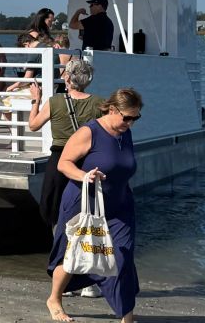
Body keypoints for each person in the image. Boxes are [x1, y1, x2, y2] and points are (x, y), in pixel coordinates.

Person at [44, 88, 142, 323]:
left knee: (122, 257)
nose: (130, 123)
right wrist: (84, 175)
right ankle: (54, 299)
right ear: (112, 109)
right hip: (83, 203)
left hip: (119, 205)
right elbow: (64, 163)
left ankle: (126, 317)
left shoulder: (124, 132)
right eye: (127, 117)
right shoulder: (90, 132)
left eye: (135, 118)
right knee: (73, 254)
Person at [27, 59, 104, 229]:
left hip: (59, 158)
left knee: (54, 208)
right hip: (86, 159)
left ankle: (60, 244)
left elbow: (33, 125)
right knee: (82, 203)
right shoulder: (99, 103)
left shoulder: (55, 102)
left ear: (67, 78)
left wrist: (36, 100)